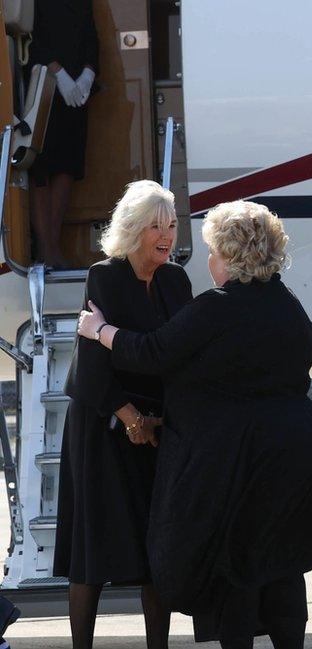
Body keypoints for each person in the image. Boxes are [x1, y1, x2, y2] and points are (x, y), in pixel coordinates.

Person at [78, 201, 312, 649]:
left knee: (236, 570)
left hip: (239, 461)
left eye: (214, 252)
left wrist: (100, 330)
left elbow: (155, 351)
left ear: (232, 256)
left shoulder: (218, 307)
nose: (209, 262)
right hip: (295, 456)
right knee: (281, 567)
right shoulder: (289, 305)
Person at [55, 180, 191, 649]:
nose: (167, 235)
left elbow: (179, 354)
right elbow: (92, 367)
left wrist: (157, 421)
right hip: (102, 421)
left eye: (171, 225)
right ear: (134, 229)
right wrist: (130, 416)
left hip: (157, 428)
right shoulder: (105, 276)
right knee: (92, 546)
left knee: (156, 542)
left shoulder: (176, 281)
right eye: (156, 225)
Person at [27, 0, 99, 268]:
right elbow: (30, 38)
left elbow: (92, 36)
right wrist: (57, 72)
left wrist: (89, 73)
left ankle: (53, 246)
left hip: (76, 91)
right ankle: (45, 251)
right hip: (43, 84)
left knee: (67, 167)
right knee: (41, 169)